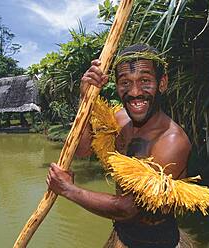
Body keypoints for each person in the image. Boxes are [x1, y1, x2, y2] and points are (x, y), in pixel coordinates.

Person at [46, 44, 192, 247]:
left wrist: (69, 190)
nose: (134, 92)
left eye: (145, 81)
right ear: (115, 85)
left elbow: (130, 208)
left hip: (157, 241)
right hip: (122, 235)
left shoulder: (171, 140)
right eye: (125, 82)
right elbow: (83, 150)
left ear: (162, 83)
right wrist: (86, 99)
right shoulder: (119, 120)